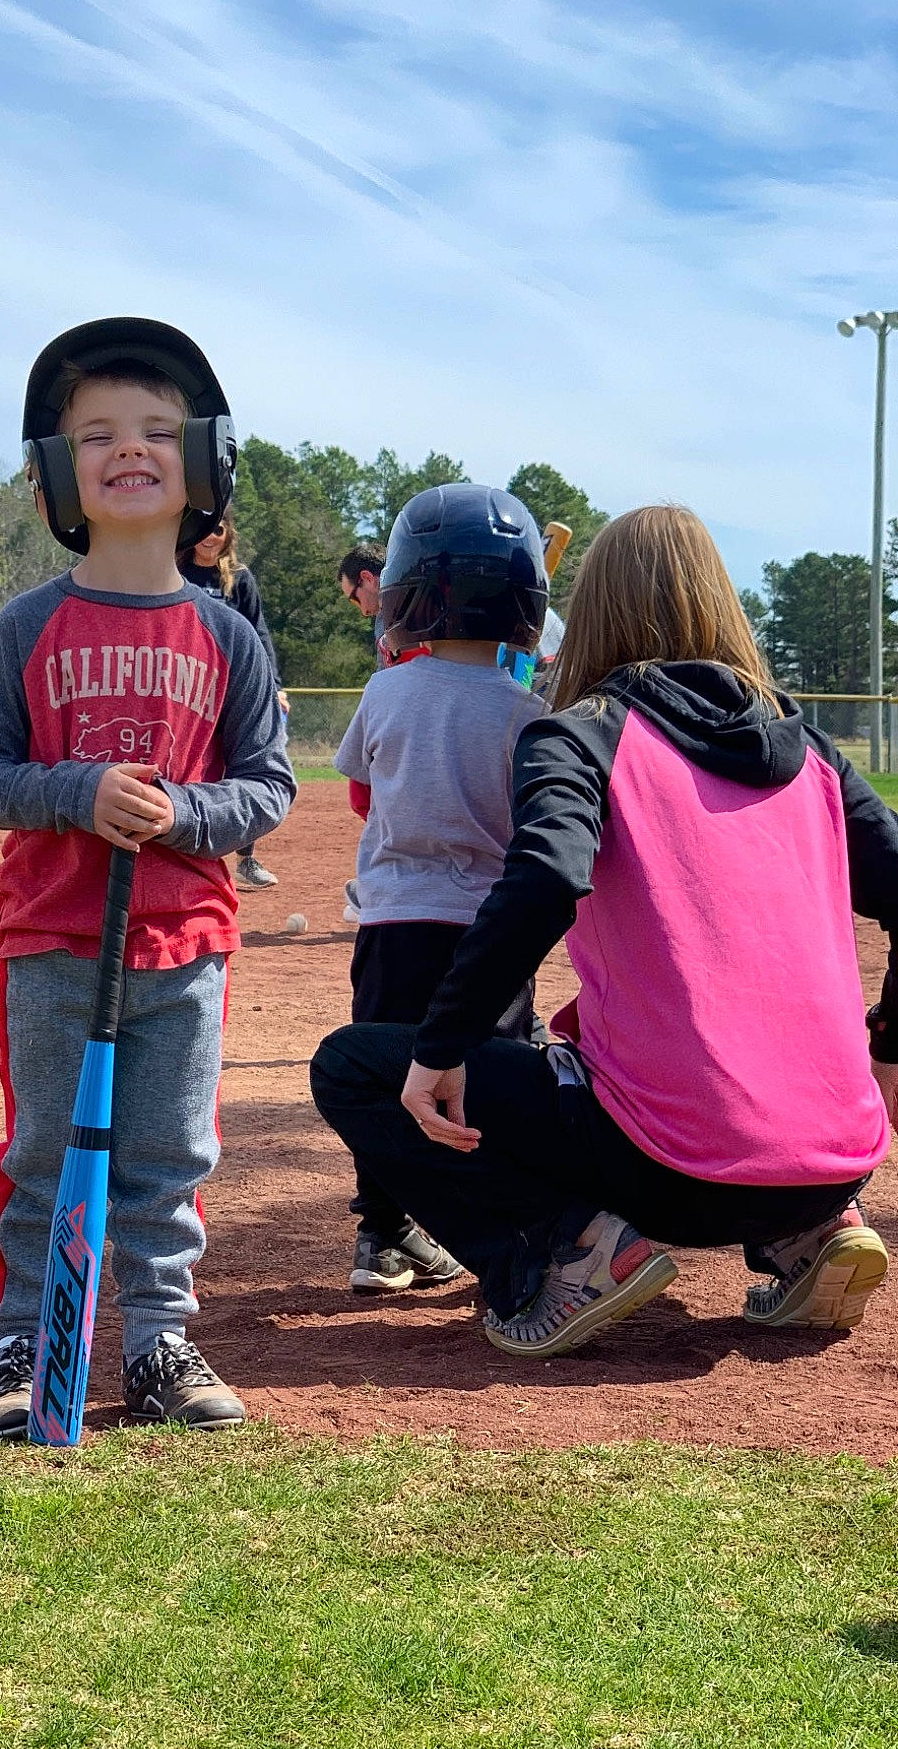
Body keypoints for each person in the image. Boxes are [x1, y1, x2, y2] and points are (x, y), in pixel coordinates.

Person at [312, 505, 895, 1359]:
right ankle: (809, 1232)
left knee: (355, 1066)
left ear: (591, 610)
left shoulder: (582, 733)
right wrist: (888, 1041)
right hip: (842, 1156)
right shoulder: (813, 750)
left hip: (670, 1170)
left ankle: (563, 1254)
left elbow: (545, 876)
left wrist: (439, 1048)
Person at [0, 317, 295, 1439]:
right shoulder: (27, 625)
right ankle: (22, 1341)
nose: (128, 448)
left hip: (186, 944)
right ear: (61, 471)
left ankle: (154, 1340)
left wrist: (185, 813)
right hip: (54, 941)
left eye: (157, 429)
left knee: (169, 1153)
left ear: (202, 461)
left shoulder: (229, 637)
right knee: (45, 1144)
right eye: (96, 433)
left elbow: (268, 786)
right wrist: (75, 790)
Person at [328, 486, 550, 1296]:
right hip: (491, 929)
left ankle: (383, 1236)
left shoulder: (385, 689)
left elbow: (362, 791)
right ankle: (503, 1229)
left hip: (391, 921)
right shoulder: (531, 708)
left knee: (389, 1070)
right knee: (486, 1077)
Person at [180, 507, 287, 890]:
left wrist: (274, 687)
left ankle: (247, 859)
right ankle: (185, 844)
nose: (212, 537)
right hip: (188, 685)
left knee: (244, 769)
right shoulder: (176, 575)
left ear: (229, 535)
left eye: (219, 530)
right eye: (206, 530)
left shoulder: (239, 580)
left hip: (233, 687)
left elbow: (259, 635)